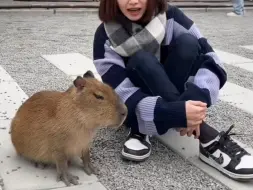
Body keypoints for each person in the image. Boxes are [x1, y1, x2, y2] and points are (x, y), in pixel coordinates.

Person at [93, 0, 253, 181]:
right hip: (136, 105)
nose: (133, 1)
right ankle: (207, 138)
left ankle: (182, 119)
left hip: (174, 92)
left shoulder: (171, 16)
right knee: (142, 60)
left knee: (188, 43)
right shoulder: (104, 36)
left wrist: (196, 99)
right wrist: (175, 112)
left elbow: (211, 60)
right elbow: (121, 93)